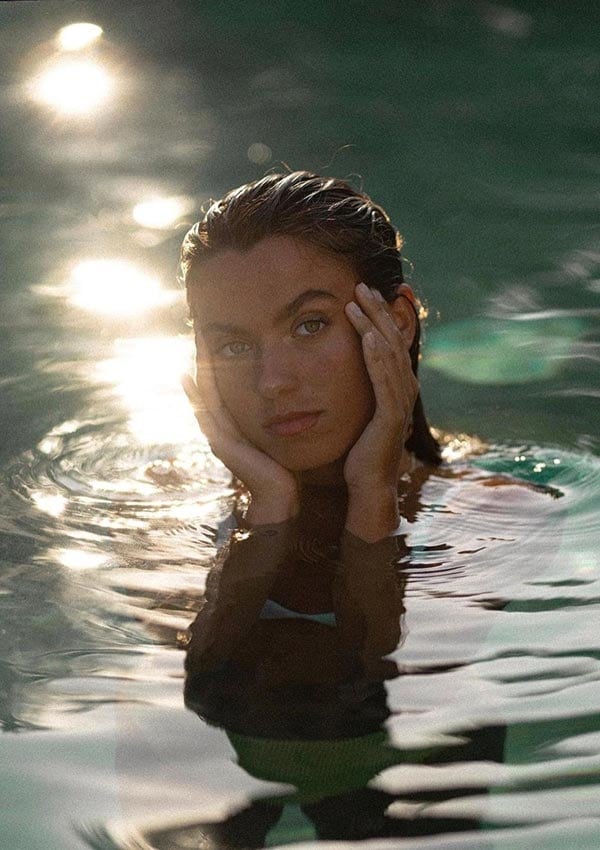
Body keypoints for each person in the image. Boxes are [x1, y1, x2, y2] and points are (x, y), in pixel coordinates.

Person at [175, 172, 520, 844]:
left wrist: (372, 499)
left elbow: (393, 679)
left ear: (393, 322)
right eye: (234, 345)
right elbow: (194, 689)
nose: (273, 382)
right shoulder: (162, 505)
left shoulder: (498, 506)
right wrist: (269, 513)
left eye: (309, 325)